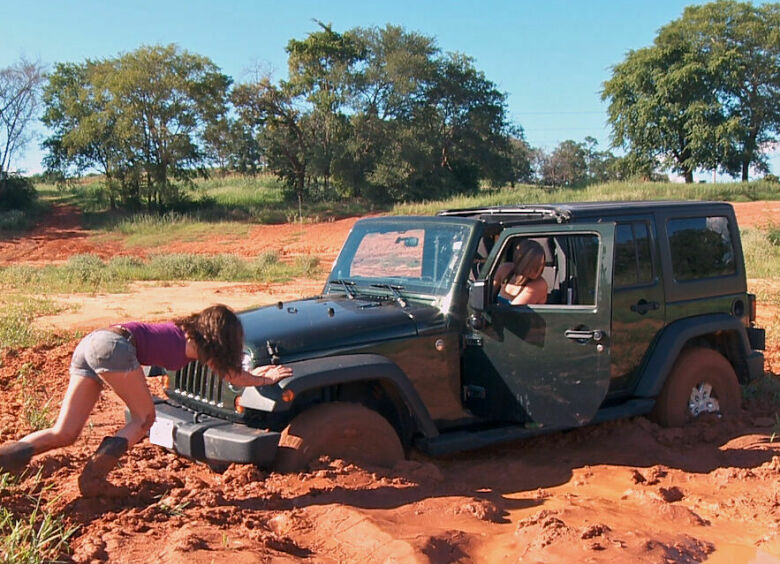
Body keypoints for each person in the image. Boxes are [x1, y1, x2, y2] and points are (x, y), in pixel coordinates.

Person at [0, 304, 292, 496]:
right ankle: (93, 478)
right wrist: (262, 378)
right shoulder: (198, 345)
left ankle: (5, 459)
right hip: (114, 347)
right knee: (145, 418)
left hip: (94, 341)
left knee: (64, 432)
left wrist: (251, 374)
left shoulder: (187, 332)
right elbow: (232, 376)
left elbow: (228, 372)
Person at [496, 239, 548, 305]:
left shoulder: (539, 284)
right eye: (533, 265)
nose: (538, 270)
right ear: (521, 261)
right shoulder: (505, 270)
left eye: (541, 265)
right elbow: (484, 295)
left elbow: (513, 310)